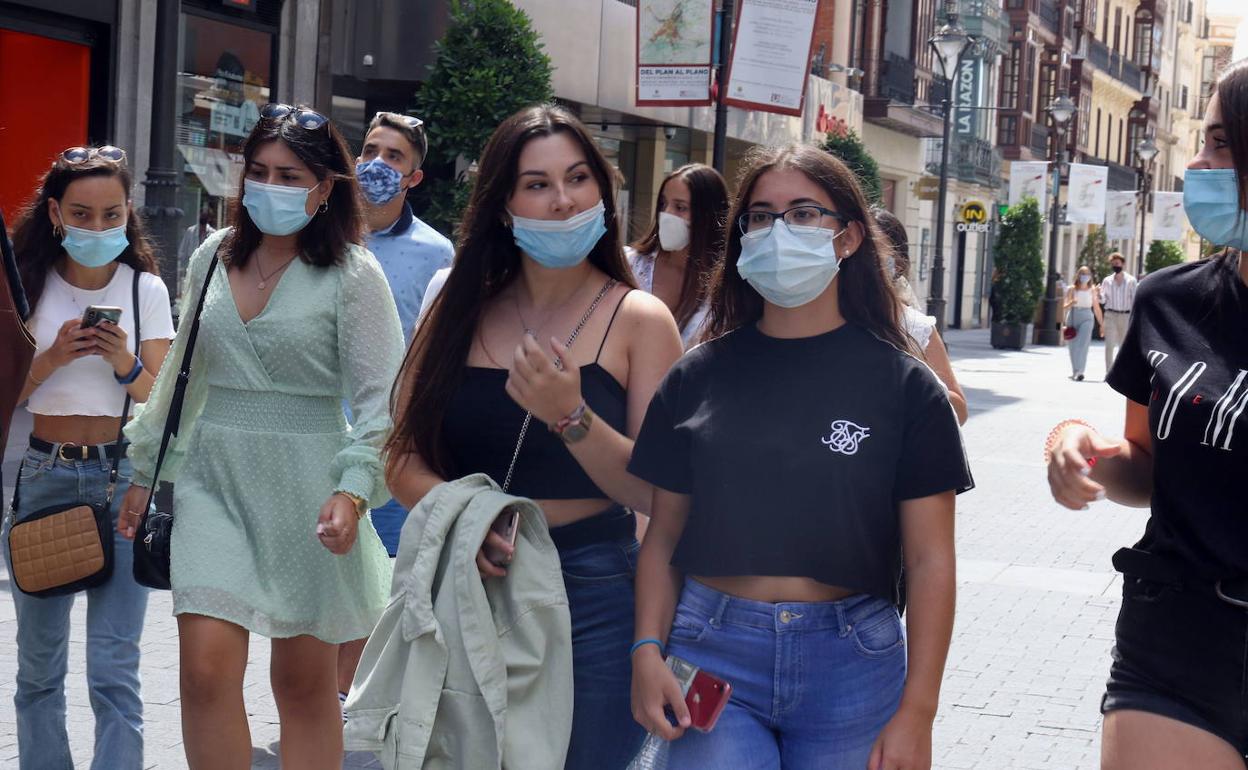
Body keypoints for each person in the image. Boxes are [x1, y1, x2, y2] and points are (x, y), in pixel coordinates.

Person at [628, 144, 973, 769]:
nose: (778, 230)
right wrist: (646, 648)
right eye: (759, 216)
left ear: (847, 239)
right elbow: (662, 537)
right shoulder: (695, 376)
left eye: (803, 213)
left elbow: (929, 560)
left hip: (853, 662)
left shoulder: (907, 387)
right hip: (713, 651)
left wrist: (919, 711)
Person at [385, 104, 683, 769]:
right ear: (503, 204)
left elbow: (660, 491)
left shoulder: (639, 319)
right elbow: (400, 456)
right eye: (537, 184)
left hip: (594, 592)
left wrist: (571, 416)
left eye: (578, 179)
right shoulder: (457, 307)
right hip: (467, 583)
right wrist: (469, 520)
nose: (563, 201)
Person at [116, 104, 404, 770]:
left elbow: (381, 402)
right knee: (204, 672)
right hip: (213, 480)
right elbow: (182, 378)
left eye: (289, 174)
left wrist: (354, 492)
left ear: (325, 186)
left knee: (302, 685)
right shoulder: (214, 256)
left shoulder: (354, 275)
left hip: (309, 489)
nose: (269, 186)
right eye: (259, 172)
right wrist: (144, 469)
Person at [1045, 59, 1248, 769]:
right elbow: (1148, 467)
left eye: (1221, 143)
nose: (1197, 163)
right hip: (1177, 636)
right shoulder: (1169, 301)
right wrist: (1079, 446)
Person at [3, 145, 175, 769]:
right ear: (55, 212)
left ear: (128, 213)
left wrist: (121, 360)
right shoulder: (25, 284)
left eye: (111, 215)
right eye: (81, 213)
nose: (97, 228)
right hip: (44, 473)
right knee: (39, 669)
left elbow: (160, 405)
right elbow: (5, 398)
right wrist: (51, 358)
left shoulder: (146, 289)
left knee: (114, 669)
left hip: (121, 478)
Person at [336, 110, 454, 711]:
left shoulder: (436, 254)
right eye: (372, 150)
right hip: (324, 443)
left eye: (395, 158)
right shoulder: (325, 236)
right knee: (324, 594)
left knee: (382, 595)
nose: (377, 165)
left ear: (414, 177)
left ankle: (362, 715)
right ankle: (335, 709)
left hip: (391, 452)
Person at [873, 207, 968, 424]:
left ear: (898, 263)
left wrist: (914, 380)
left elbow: (959, 411)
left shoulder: (914, 326)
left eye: (876, 252)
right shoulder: (821, 318)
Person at [626, 163, 728, 347]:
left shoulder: (724, 288)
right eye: (663, 204)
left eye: (680, 207)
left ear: (707, 216)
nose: (666, 214)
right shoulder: (630, 264)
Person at [1063, 265, 1104, 381]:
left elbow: (1096, 307)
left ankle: (1080, 371)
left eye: (1086, 274)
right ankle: (1075, 370)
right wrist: (1071, 302)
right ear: (1078, 275)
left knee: (1083, 344)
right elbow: (1064, 306)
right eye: (1082, 274)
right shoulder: (1072, 289)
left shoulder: (1092, 290)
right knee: (1073, 345)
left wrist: (1101, 324)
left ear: (1090, 276)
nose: (1084, 277)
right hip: (1073, 315)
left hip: (1087, 316)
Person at [1099, 252, 1136, 371]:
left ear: (1123, 264)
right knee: (1109, 345)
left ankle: (1122, 373)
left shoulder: (1131, 281)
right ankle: (1109, 373)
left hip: (1125, 316)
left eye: (1117, 263)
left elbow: (1135, 300)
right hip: (1110, 315)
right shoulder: (1107, 281)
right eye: (1113, 263)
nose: (1115, 265)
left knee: (1123, 346)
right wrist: (1098, 294)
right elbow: (1103, 299)